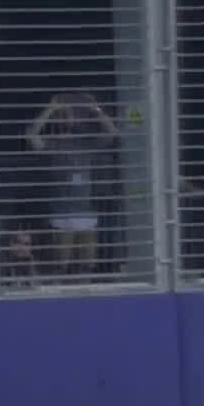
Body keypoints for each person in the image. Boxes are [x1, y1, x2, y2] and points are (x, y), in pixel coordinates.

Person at [25, 91, 119, 277]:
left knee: (87, 265)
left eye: (75, 112)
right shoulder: (54, 143)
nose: (72, 116)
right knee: (61, 265)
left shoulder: (88, 143)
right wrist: (50, 109)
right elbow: (31, 135)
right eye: (66, 113)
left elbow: (113, 133)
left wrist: (96, 110)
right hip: (62, 213)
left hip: (87, 212)